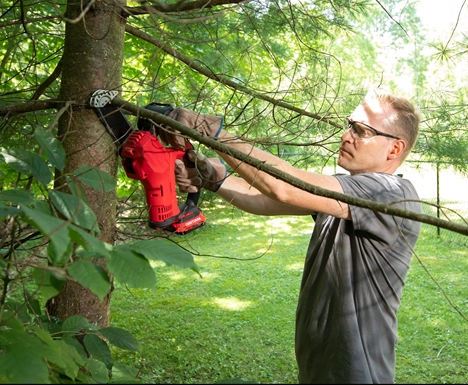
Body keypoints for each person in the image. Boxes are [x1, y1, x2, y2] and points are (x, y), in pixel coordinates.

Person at [159, 89, 422, 384]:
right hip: (320, 368)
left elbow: (283, 186)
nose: (346, 136)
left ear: (395, 149)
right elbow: (261, 197)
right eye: (350, 125)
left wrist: (211, 131)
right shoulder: (349, 193)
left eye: (362, 131)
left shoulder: (390, 195)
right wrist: (211, 176)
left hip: (357, 374)